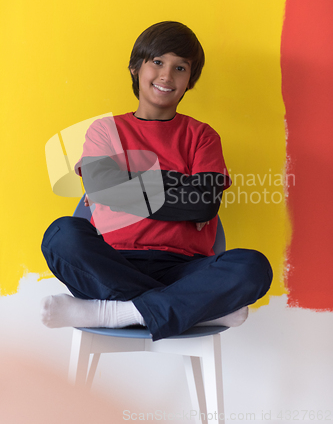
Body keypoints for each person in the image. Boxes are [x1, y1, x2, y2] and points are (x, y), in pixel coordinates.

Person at [41, 21, 272, 341]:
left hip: (185, 269)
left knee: (252, 267)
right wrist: (179, 186)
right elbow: (102, 188)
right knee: (60, 235)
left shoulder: (202, 136)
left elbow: (203, 204)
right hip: (112, 263)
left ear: (190, 80)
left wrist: (126, 187)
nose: (167, 76)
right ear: (136, 68)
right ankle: (195, 310)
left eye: (180, 67)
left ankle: (111, 313)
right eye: (158, 62)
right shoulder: (105, 131)